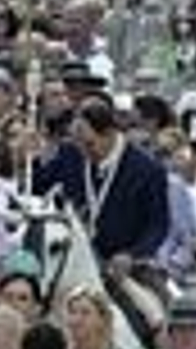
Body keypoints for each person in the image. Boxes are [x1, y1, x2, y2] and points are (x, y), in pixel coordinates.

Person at [37, 101, 170, 264]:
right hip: (74, 262)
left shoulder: (148, 169)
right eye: (77, 143)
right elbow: (38, 186)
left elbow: (158, 225)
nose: (83, 152)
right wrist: (28, 159)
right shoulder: (70, 154)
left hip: (124, 267)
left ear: (110, 133)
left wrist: (133, 254)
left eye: (89, 144)